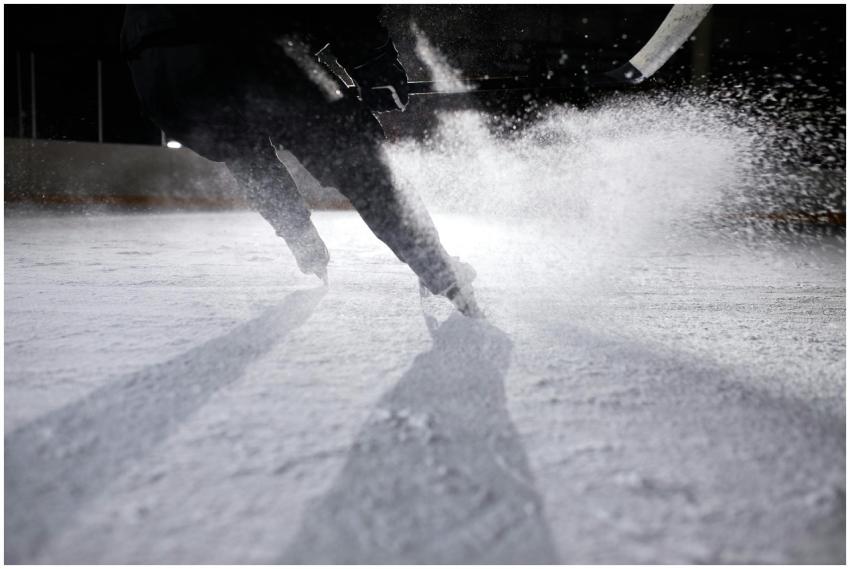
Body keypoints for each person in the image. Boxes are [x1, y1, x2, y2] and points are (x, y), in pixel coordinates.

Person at [120, 5, 481, 316]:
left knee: (246, 154)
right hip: (246, 44)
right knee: (354, 152)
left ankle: (305, 244)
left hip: (160, 82)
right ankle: (437, 268)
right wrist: (376, 68)